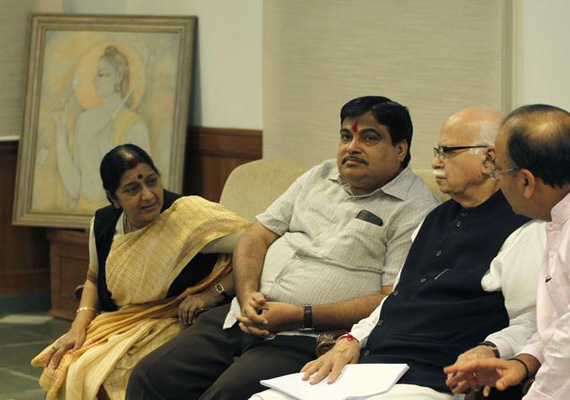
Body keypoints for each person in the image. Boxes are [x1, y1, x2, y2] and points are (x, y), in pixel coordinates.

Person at [126, 96, 441, 399]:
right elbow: (256, 236)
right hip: (240, 317)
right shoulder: (319, 176)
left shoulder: (414, 210)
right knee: (150, 376)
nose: (351, 147)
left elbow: (391, 299)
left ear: (400, 149)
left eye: (369, 138)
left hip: (306, 338)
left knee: (226, 395)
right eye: (346, 136)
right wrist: (246, 294)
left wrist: (302, 315)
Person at [252, 106, 546, 400]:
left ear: (489, 159)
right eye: (437, 151)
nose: (436, 162)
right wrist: (352, 338)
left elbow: (532, 323)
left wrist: (491, 349)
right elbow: (397, 297)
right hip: (373, 370)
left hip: (435, 378)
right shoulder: (434, 218)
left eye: (447, 152)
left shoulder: (525, 227)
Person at [31, 144, 249, 400]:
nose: (148, 196)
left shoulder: (188, 216)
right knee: (65, 364)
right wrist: (77, 327)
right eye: (132, 189)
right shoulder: (104, 224)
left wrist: (213, 293)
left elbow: (257, 246)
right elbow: (93, 278)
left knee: (106, 379)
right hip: (124, 320)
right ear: (114, 198)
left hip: (177, 320)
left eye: (152, 181)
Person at [445, 104, 570, 399]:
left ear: (526, 181)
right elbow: (557, 324)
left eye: (498, 170)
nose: (495, 179)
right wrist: (523, 363)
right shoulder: (555, 222)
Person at [52, 45, 151, 211]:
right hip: (83, 210)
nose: (95, 81)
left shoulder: (134, 126)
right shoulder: (84, 121)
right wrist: (60, 130)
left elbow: (143, 185)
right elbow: (74, 187)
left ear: (119, 77)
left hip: (120, 216)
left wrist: (107, 150)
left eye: (102, 74)